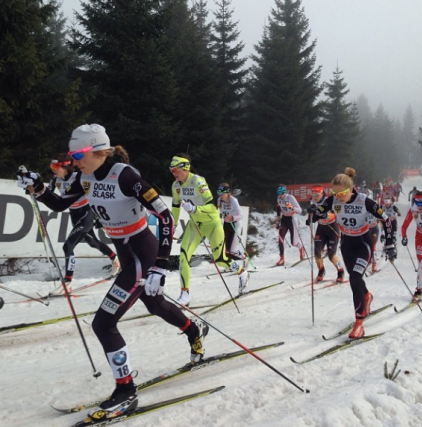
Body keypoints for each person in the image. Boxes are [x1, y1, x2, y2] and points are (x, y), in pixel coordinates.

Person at [17, 124, 208, 420]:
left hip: (142, 252)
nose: (73, 160)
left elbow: (165, 216)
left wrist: (159, 264)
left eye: (78, 153)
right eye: (71, 154)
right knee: (154, 303)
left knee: (103, 323)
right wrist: (38, 188)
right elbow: (61, 203)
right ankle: (194, 330)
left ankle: (125, 390)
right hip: (126, 251)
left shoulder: (125, 176)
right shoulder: (84, 177)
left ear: (100, 152)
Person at [311, 167, 395, 339]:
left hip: (363, 244)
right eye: (334, 193)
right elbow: (321, 210)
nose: (338, 197)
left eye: (341, 193)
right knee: (356, 280)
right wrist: (314, 213)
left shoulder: (364, 201)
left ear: (350, 189)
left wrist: (390, 242)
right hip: (346, 244)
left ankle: (359, 323)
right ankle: (366, 295)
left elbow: (385, 219)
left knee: (355, 278)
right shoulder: (333, 199)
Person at [170, 154, 248, 304]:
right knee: (183, 257)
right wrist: (173, 224)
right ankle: (184, 293)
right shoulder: (176, 186)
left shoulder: (197, 181)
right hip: (195, 225)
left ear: (185, 168)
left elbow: (212, 206)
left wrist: (194, 209)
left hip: (212, 224)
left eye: (175, 170)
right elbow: (175, 204)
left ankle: (241, 272)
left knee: (220, 261)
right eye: (171, 170)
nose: (173, 173)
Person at [47, 153, 120, 295]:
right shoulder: (55, 179)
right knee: (92, 241)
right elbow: (48, 195)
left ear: (66, 166)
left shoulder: (78, 177)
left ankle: (67, 283)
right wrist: (33, 188)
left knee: (68, 245)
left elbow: (95, 194)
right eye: (51, 166)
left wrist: (99, 216)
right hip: (74, 214)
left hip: (86, 213)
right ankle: (114, 258)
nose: (53, 169)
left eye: (56, 166)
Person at [306, 185, 344, 282]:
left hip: (332, 228)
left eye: (317, 195)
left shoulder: (328, 201)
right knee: (317, 253)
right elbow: (313, 216)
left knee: (331, 256)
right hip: (321, 229)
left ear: (322, 193)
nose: (315, 197)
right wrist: (309, 219)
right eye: (313, 195)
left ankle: (340, 271)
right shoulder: (312, 201)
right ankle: (321, 270)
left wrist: (326, 215)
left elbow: (335, 215)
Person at [274, 184, 306, 266]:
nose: (280, 195)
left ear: (284, 192)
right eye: (278, 192)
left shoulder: (290, 198)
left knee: (293, 242)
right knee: (280, 238)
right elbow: (278, 209)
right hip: (284, 219)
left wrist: (292, 208)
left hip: (292, 220)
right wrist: (277, 221)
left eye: (281, 192)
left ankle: (301, 247)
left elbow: (299, 210)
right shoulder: (278, 198)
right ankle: (281, 258)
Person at [216, 183, 247, 263]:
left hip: (235, 225)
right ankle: (229, 264)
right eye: (218, 193)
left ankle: (243, 257)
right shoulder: (219, 200)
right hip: (226, 225)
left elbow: (241, 215)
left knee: (232, 250)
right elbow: (221, 212)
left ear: (227, 193)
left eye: (222, 193)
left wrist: (232, 217)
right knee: (225, 249)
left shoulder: (233, 200)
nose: (220, 195)